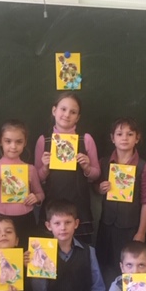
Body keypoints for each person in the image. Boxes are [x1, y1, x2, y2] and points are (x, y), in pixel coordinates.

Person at [34, 93, 100, 245]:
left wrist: (87, 167)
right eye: (63, 109)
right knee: (50, 252)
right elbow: (37, 179)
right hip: (52, 206)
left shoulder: (86, 139)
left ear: (78, 117)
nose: (67, 114)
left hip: (79, 207)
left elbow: (96, 175)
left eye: (73, 112)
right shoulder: (44, 140)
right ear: (54, 110)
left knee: (80, 249)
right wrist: (45, 167)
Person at [95, 117, 146, 286]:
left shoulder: (144, 167)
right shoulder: (104, 163)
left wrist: (141, 232)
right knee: (104, 267)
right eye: (119, 134)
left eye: (130, 134)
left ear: (137, 138)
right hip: (106, 226)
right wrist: (100, 188)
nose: (124, 138)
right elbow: (95, 187)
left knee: (128, 270)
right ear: (112, 138)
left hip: (130, 228)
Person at [0, 119, 44, 247]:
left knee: (27, 255)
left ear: (25, 142)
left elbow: (40, 194)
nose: (13, 146)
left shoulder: (30, 169)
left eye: (19, 142)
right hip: (0, 221)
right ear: (0, 141)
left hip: (26, 220)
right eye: (8, 141)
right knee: (3, 257)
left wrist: (36, 197)